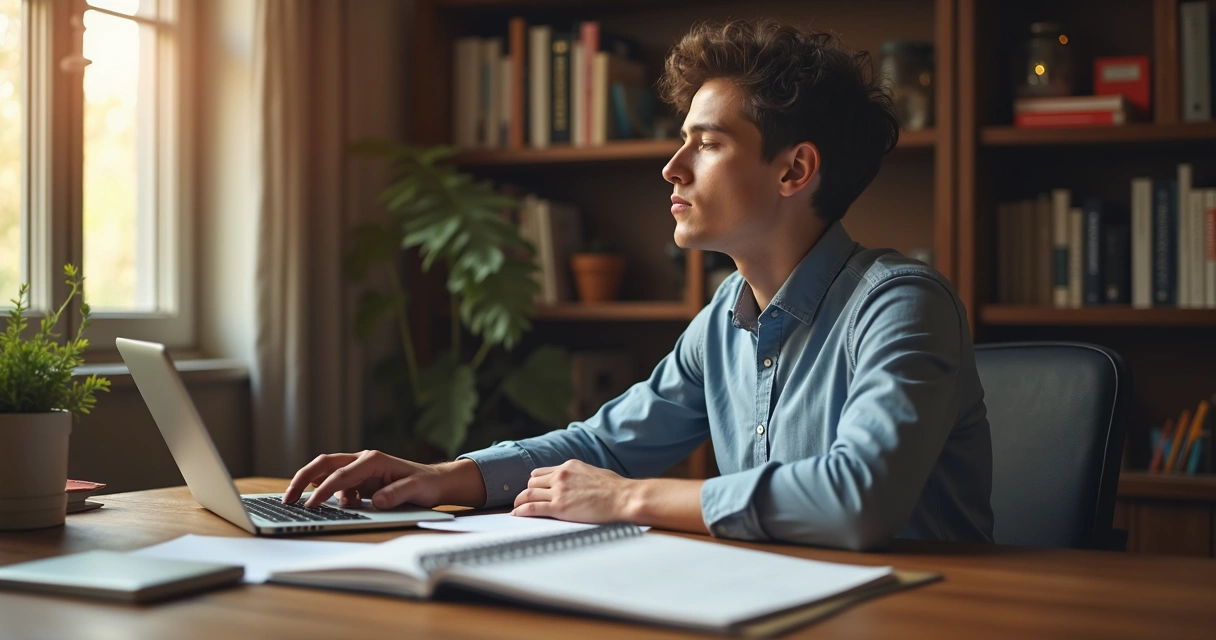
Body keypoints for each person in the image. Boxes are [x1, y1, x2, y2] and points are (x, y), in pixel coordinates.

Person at [283, 19, 993, 551]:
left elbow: (857, 500)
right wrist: (445, 476)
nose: (672, 167)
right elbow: (606, 446)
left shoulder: (901, 304)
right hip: (780, 601)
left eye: (708, 143)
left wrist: (627, 500)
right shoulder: (723, 318)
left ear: (794, 170)